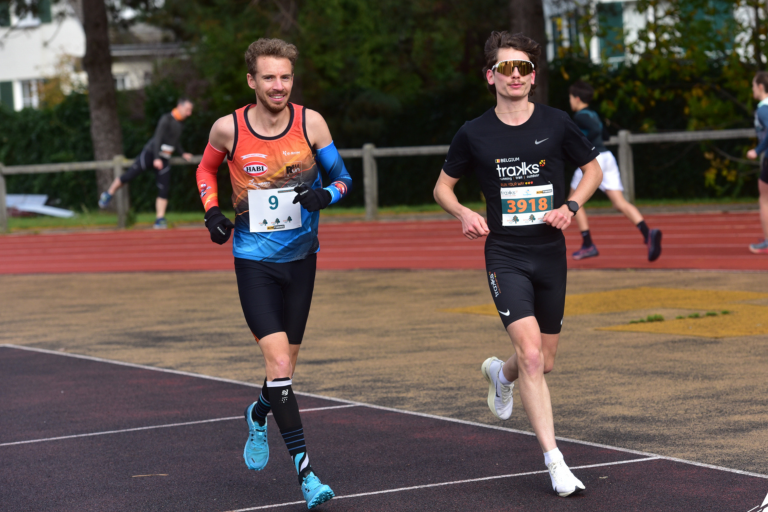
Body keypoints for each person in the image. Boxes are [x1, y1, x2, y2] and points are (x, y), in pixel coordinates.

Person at [434, 31, 602, 498]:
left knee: (542, 362)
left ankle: (499, 374)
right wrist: (465, 213)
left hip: (549, 253)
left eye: (523, 67)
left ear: (533, 75)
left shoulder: (556, 121)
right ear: (490, 75)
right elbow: (442, 187)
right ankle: (555, 462)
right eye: (506, 67)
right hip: (505, 255)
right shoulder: (474, 132)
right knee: (530, 354)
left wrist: (570, 204)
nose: (515, 75)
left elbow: (593, 170)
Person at [195, 38, 351, 509]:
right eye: (269, 77)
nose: (278, 85)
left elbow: (342, 178)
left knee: (283, 373)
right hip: (255, 263)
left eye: (285, 77)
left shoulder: (311, 123)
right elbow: (205, 171)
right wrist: (212, 212)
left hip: (302, 261)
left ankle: (258, 411)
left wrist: (327, 196)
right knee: (280, 366)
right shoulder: (229, 129)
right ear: (252, 81)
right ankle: (308, 477)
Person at [567, 80, 662, 261]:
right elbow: (604, 134)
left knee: (573, 201)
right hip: (607, 157)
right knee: (620, 203)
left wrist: (582, 145)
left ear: (577, 99)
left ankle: (588, 244)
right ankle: (647, 232)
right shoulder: (594, 114)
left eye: (571, 98)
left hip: (593, 160)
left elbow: (594, 131)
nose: (570, 101)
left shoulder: (580, 116)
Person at [98, 98, 194, 229]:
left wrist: (182, 153)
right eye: (188, 110)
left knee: (164, 188)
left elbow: (174, 141)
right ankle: (108, 194)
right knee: (129, 176)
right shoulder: (166, 119)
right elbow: (158, 137)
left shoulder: (181, 124)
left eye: (190, 111)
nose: (189, 113)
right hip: (151, 154)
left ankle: (159, 219)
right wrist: (156, 158)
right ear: (179, 106)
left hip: (164, 158)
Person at [746, 71, 768, 254]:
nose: (752, 89)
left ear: (761, 87)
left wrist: (757, 150)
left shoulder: (762, 109)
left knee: (765, 198)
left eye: (753, 85)